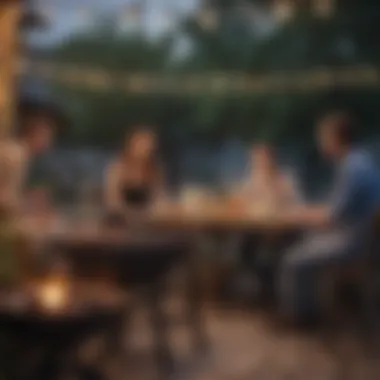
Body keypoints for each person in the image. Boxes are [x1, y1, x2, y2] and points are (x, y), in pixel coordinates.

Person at [278, 111, 380, 324]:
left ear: (335, 138)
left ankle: (302, 319)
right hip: (361, 237)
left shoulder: (353, 167)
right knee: (305, 239)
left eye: (323, 138)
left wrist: (301, 213)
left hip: (353, 243)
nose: (321, 144)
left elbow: (333, 216)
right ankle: (310, 306)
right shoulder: (360, 161)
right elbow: (339, 207)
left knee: (293, 258)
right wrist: (309, 212)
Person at [234, 144, 303, 302]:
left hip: (284, 230)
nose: (259, 164)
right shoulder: (253, 179)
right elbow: (242, 201)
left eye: (262, 160)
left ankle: (273, 290)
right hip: (259, 229)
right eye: (255, 161)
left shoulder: (285, 179)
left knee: (269, 250)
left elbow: (294, 206)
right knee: (245, 245)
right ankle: (260, 287)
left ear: (273, 160)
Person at [0, 100, 60, 215]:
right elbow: (7, 197)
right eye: (47, 137)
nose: (49, 144)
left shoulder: (18, 152)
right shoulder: (16, 156)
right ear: (35, 134)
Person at [105, 127, 164, 215]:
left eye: (150, 145)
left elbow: (159, 197)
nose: (147, 149)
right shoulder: (119, 167)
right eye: (143, 144)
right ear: (132, 145)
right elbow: (112, 200)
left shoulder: (154, 168)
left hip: (148, 218)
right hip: (121, 218)